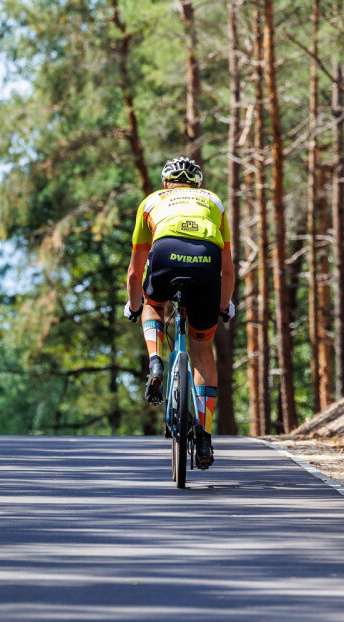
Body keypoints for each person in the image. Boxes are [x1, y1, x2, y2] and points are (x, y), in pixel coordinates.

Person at [123, 157, 235, 468]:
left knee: (152, 305)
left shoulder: (151, 201)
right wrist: (224, 307)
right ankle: (205, 436)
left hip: (165, 253)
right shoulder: (213, 200)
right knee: (202, 350)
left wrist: (134, 307)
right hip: (206, 261)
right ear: (198, 184)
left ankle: (156, 361)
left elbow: (134, 272)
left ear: (166, 183)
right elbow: (227, 269)